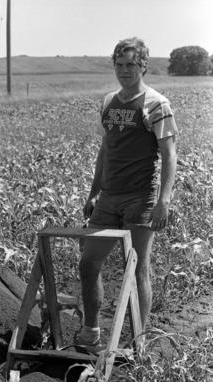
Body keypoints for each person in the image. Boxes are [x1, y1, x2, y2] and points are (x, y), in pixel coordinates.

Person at [77, 37, 178, 352]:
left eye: (131, 64)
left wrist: (163, 201)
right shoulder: (109, 102)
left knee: (136, 267)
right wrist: (94, 193)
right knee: (88, 263)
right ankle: (91, 334)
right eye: (119, 65)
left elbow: (170, 154)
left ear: (144, 65)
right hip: (109, 197)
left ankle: (137, 342)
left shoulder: (156, 103)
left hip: (140, 197)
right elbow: (106, 150)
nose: (124, 70)